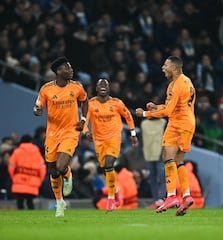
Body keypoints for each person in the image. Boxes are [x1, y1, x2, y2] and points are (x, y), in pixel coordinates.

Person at [135, 56, 196, 216]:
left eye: (165, 65)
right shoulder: (186, 82)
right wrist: (156, 107)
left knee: (167, 157)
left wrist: (146, 113)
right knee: (179, 161)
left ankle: (171, 196)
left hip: (177, 124)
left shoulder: (176, 86)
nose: (163, 68)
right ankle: (187, 195)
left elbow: (169, 112)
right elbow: (172, 106)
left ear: (174, 67)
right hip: (188, 123)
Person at [33, 56, 88, 217]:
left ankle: (68, 174)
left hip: (70, 132)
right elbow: (37, 106)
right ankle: (59, 203)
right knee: (53, 171)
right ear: (58, 71)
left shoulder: (77, 87)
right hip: (52, 134)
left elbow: (85, 101)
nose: (71, 70)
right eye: (67, 67)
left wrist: (83, 119)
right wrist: (37, 110)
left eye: (70, 67)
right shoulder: (46, 89)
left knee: (60, 166)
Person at [83, 78, 138, 211]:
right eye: (100, 84)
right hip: (99, 140)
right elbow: (84, 120)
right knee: (105, 168)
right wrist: (86, 132)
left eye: (105, 84)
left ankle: (111, 198)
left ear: (109, 89)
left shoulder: (116, 103)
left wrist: (133, 133)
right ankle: (116, 191)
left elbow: (128, 116)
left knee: (108, 164)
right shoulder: (90, 104)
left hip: (114, 138)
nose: (103, 86)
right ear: (96, 89)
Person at [8, 134, 46, 210]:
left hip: (19, 182)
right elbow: (42, 168)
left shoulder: (17, 152)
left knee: (20, 202)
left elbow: (11, 166)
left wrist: (14, 178)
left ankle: (20, 218)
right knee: (30, 202)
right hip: (33, 182)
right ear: (31, 141)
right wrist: (39, 180)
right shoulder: (36, 152)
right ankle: (32, 219)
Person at [140, 117, 167, 209]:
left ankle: (161, 199)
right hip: (149, 155)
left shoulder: (163, 122)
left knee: (162, 178)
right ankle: (156, 200)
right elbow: (141, 139)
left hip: (161, 155)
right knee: (153, 179)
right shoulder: (144, 124)